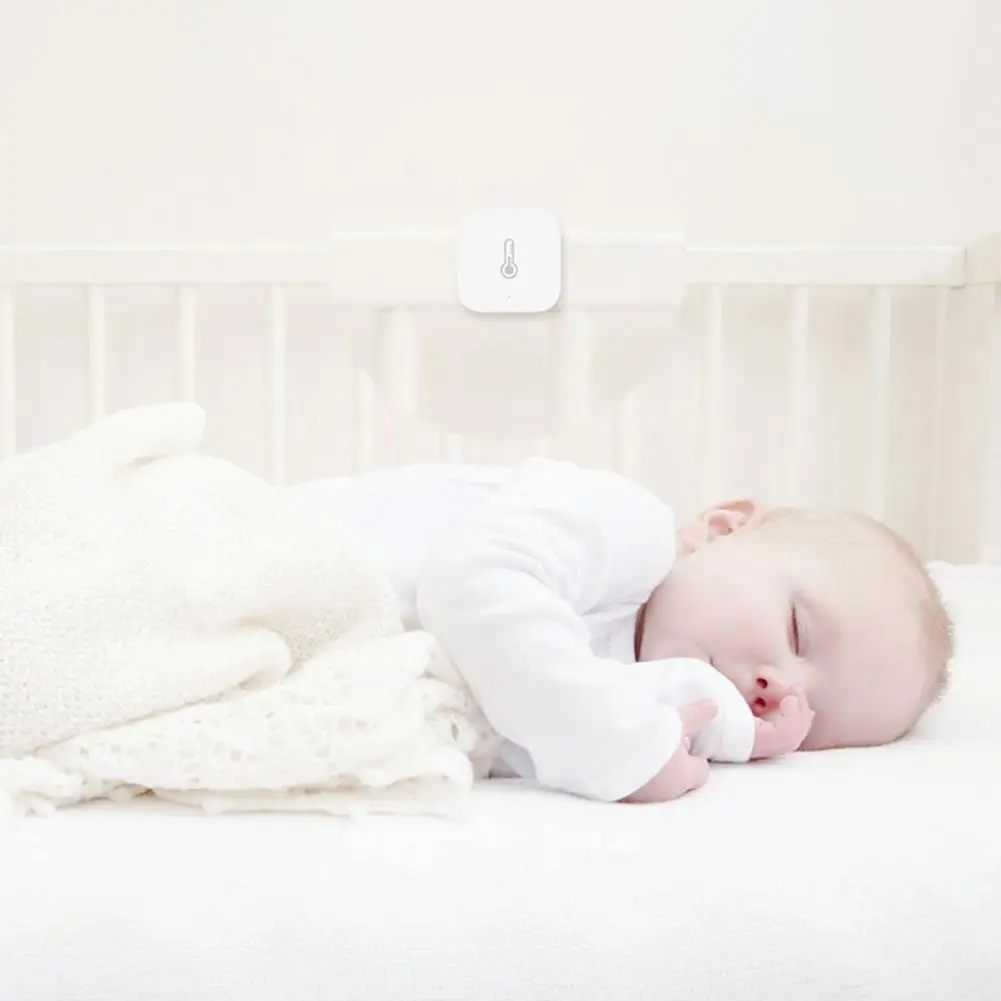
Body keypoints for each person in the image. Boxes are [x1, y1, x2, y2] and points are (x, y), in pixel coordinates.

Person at [290, 458, 952, 805]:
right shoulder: (625, 526)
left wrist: (701, 728)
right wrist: (617, 748)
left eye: (811, 719)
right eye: (796, 631)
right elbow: (470, 583)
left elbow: (506, 718)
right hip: (269, 557)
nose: (778, 687)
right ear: (722, 528)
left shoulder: (624, 692)